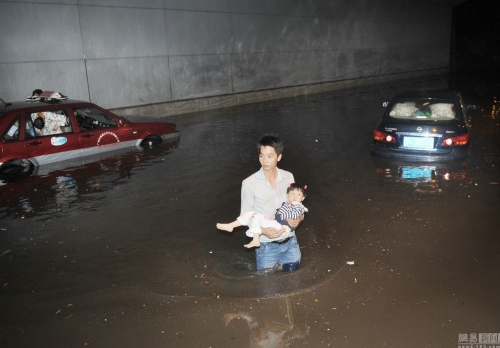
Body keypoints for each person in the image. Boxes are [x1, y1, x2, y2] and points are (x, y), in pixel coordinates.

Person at [240, 134, 303, 272]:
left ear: (279, 157)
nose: (264, 161)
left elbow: (297, 205)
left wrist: (299, 219)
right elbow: (245, 217)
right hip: (267, 246)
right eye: (261, 156)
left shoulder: (288, 177)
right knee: (267, 284)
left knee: (294, 275)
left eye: (270, 156)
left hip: (290, 241)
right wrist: (263, 231)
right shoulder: (249, 183)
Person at [216, 183, 308, 249]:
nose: (295, 196)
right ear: (288, 195)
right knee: (253, 215)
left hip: (283, 228)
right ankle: (232, 226)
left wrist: (277, 216)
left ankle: (256, 237)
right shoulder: (287, 204)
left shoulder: (299, 207)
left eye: (298, 194)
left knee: (256, 218)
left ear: (303, 198)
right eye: (292, 193)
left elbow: (292, 215)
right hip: (275, 223)